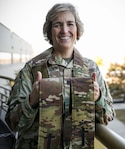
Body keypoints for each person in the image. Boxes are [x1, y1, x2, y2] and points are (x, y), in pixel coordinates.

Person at [6, 3, 115, 149]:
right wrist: (32, 100)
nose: (65, 30)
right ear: (50, 31)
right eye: (58, 24)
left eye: (70, 24)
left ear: (77, 30)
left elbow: (108, 117)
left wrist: (98, 98)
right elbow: (12, 123)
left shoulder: (91, 69)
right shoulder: (32, 69)